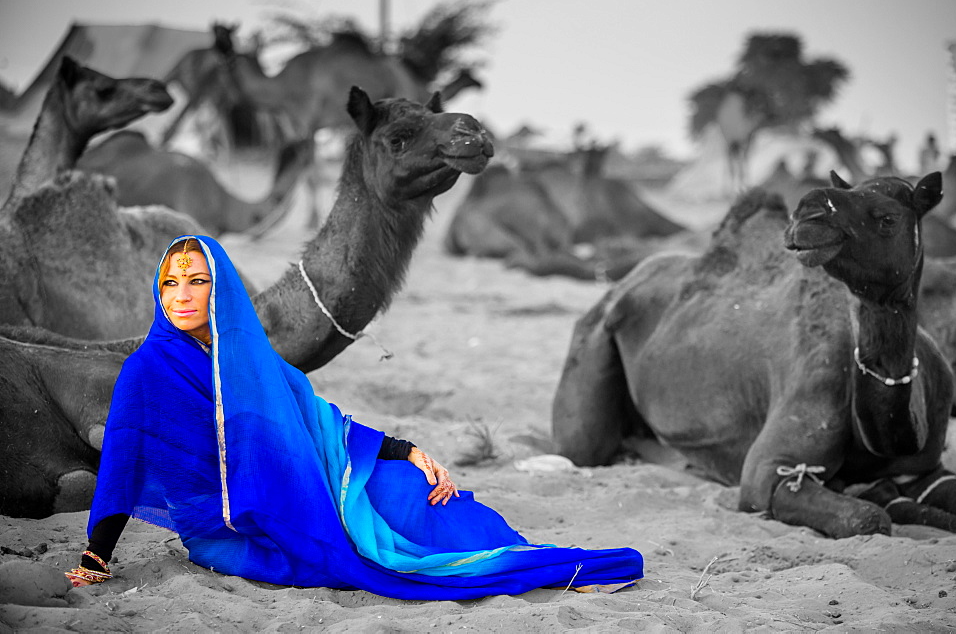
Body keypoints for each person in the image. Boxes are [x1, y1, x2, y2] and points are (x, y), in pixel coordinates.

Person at [65, 236, 643, 599]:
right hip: (237, 525)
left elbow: (319, 421)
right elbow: (122, 461)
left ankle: (513, 551)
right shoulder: (148, 371)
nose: (182, 295)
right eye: (171, 283)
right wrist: (96, 556)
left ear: (221, 292)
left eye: (198, 281)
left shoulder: (243, 362)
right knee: (379, 544)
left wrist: (407, 449)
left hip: (305, 482)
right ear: (157, 292)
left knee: (416, 490)